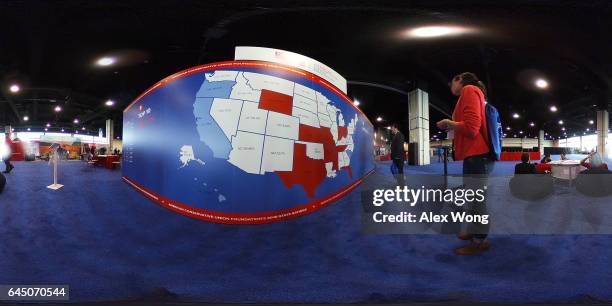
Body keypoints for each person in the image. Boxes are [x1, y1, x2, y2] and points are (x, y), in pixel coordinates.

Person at [436, 72, 494, 255]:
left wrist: (448, 123)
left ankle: (479, 241)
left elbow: (471, 128)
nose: (450, 87)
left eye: (451, 82)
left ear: (459, 80)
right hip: (474, 155)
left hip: (477, 155)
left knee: (477, 201)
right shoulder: (472, 92)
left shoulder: (469, 90)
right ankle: (474, 231)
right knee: (474, 198)